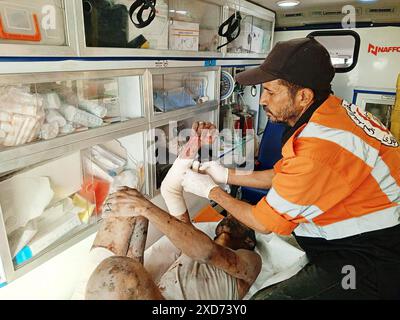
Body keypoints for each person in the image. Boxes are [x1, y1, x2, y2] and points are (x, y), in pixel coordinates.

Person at [181, 37, 400, 299]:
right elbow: (283, 174)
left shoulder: (321, 147)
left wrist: (212, 192)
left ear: (303, 96)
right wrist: (228, 174)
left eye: (271, 92)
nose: (262, 100)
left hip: (370, 254)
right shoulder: (329, 115)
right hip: (359, 234)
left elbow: (262, 223)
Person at [78, 122, 262, 300]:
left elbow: (208, 253)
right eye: (231, 213)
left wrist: (146, 207)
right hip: (149, 293)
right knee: (127, 203)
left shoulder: (250, 263)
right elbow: (170, 189)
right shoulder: (191, 240)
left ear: (248, 238)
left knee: (121, 277)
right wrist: (193, 146)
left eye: (239, 217)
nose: (230, 215)